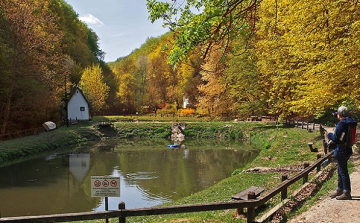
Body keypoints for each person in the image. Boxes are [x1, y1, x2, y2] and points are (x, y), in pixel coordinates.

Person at [328, 106, 357, 200]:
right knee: (340, 170)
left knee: (343, 171)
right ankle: (339, 189)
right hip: (348, 148)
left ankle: (346, 192)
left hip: (341, 149)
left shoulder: (341, 124)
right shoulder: (350, 122)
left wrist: (329, 135)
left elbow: (336, 139)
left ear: (339, 114)